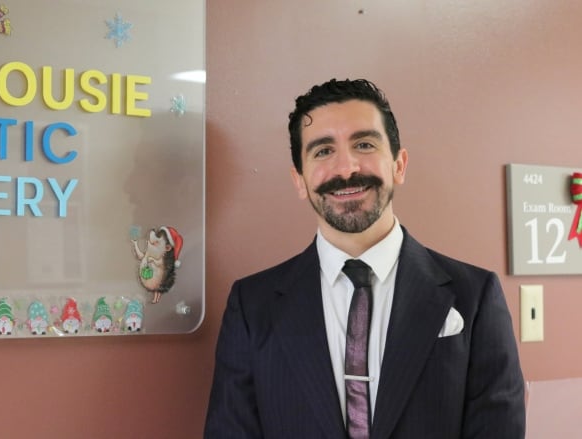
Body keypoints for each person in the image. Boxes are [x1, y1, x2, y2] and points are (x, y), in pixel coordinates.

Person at [204, 78, 525, 438]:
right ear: (299, 179)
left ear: (399, 165)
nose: (346, 169)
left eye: (364, 144)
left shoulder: (475, 296)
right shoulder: (252, 306)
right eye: (323, 151)